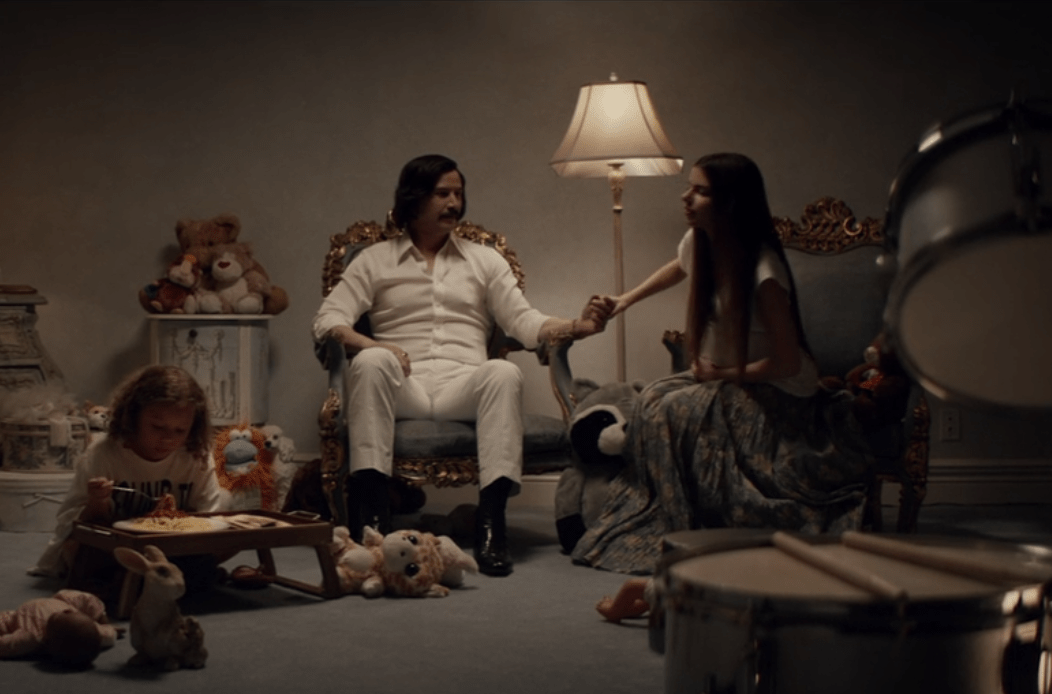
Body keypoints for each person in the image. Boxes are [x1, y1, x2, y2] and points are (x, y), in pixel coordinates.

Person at [572, 152, 871, 575]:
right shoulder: (701, 242)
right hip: (732, 379)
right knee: (653, 399)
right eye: (689, 187)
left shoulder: (764, 271)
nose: (686, 197)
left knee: (676, 410)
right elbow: (678, 267)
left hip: (780, 390)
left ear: (731, 203)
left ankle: (689, 524)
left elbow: (788, 363)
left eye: (701, 191)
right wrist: (624, 300)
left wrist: (722, 374)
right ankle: (665, 513)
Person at [312, 154, 605, 577]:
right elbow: (328, 319)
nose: (453, 203)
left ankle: (492, 524)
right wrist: (373, 344)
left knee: (503, 371)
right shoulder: (374, 260)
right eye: (442, 194)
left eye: (458, 193)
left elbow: (523, 322)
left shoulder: (484, 260)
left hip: (462, 386)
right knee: (371, 362)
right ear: (414, 197)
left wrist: (577, 326)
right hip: (404, 388)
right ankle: (374, 522)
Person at [28, 364, 224, 580]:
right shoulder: (104, 453)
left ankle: (149, 577)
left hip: (175, 543)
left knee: (237, 538)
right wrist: (97, 501)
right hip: (117, 545)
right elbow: (71, 525)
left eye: (180, 430)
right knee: (77, 548)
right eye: (157, 427)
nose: (168, 439)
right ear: (133, 416)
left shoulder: (196, 455)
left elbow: (211, 516)